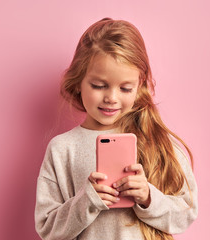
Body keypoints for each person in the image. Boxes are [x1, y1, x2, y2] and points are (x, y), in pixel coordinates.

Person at [34, 17, 198, 240]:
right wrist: (86, 201)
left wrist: (149, 198)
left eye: (125, 88)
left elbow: (186, 213)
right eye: (99, 86)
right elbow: (47, 228)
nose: (111, 98)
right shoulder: (62, 149)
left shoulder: (154, 139)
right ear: (79, 82)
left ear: (139, 86)